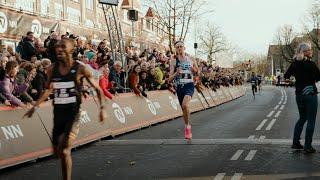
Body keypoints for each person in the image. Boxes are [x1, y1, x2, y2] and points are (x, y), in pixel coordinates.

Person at [23, 38, 107, 180]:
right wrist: (35, 107)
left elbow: (98, 88)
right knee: (58, 152)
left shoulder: (80, 68)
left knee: (65, 148)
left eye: (63, 46)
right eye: (57, 47)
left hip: (73, 112)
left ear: (71, 50)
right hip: (58, 114)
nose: (59, 49)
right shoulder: (51, 69)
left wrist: (102, 109)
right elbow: (48, 89)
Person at [284, 42, 320, 153]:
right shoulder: (311, 64)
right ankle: (307, 146)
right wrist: (311, 79)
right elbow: (318, 77)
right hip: (310, 94)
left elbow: (286, 76)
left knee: (302, 118)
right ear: (305, 51)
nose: (311, 51)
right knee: (311, 120)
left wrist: (297, 80)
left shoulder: (294, 64)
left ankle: (295, 143)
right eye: (309, 50)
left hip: (299, 94)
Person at [168, 41, 199, 140]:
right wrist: (176, 73)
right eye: (177, 47)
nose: (179, 48)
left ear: (184, 48)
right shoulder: (174, 61)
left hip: (189, 85)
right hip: (179, 87)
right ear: (176, 49)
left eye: (181, 46)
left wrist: (194, 70)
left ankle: (188, 128)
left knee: (185, 105)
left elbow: (197, 72)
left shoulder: (191, 59)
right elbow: (169, 79)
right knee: (183, 109)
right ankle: (187, 125)